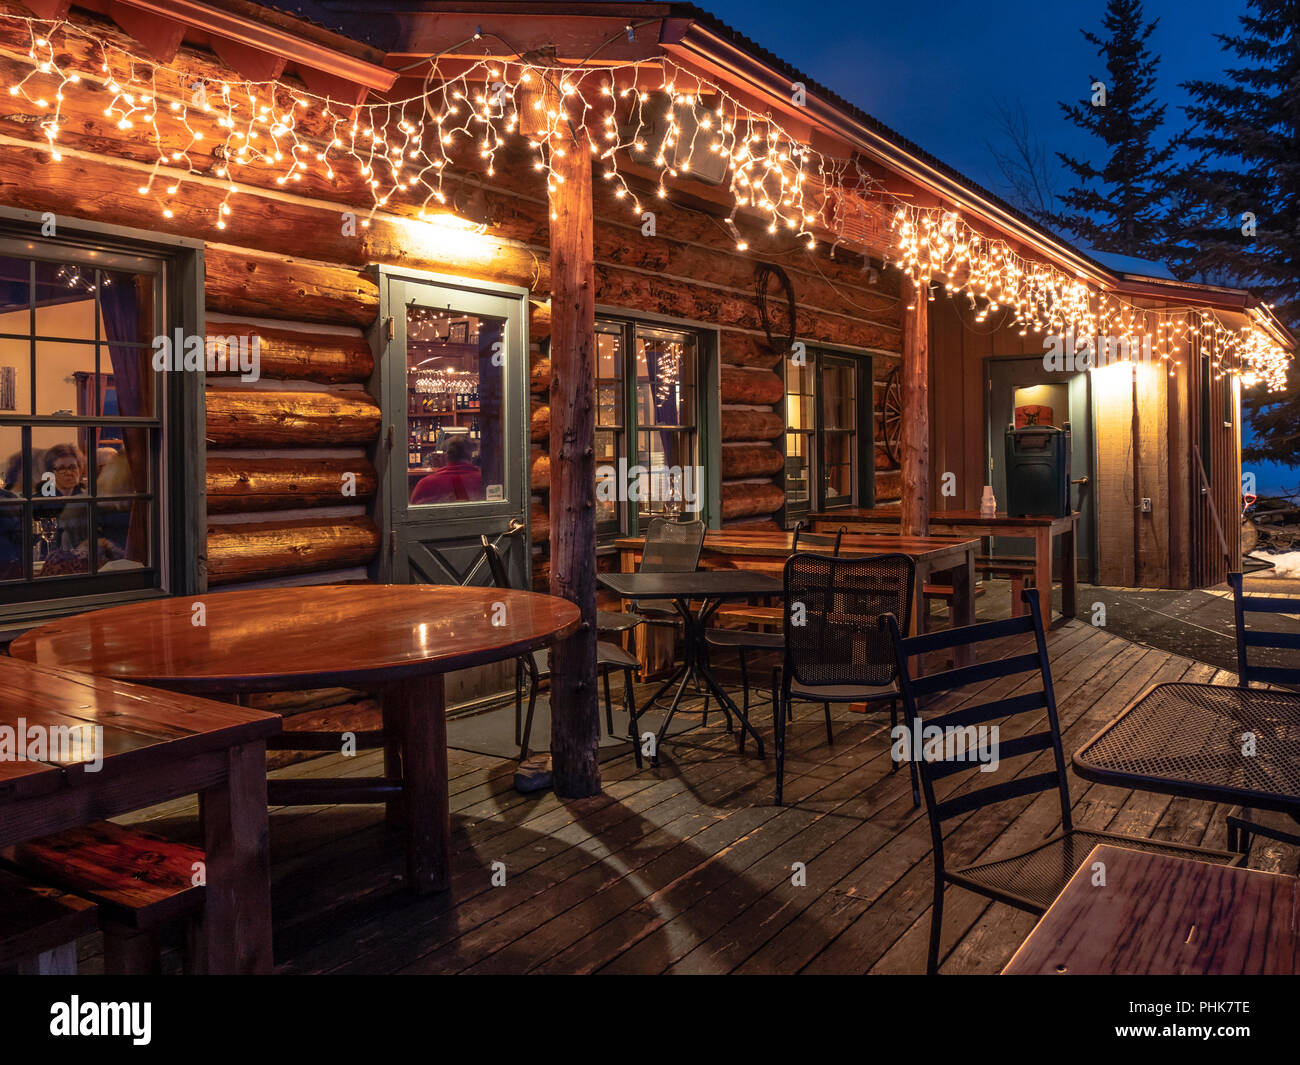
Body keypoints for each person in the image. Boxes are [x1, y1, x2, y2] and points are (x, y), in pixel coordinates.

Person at [410, 435, 482, 504]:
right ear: (472, 456)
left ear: (445, 456)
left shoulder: (425, 484)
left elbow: (414, 511)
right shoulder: (483, 481)